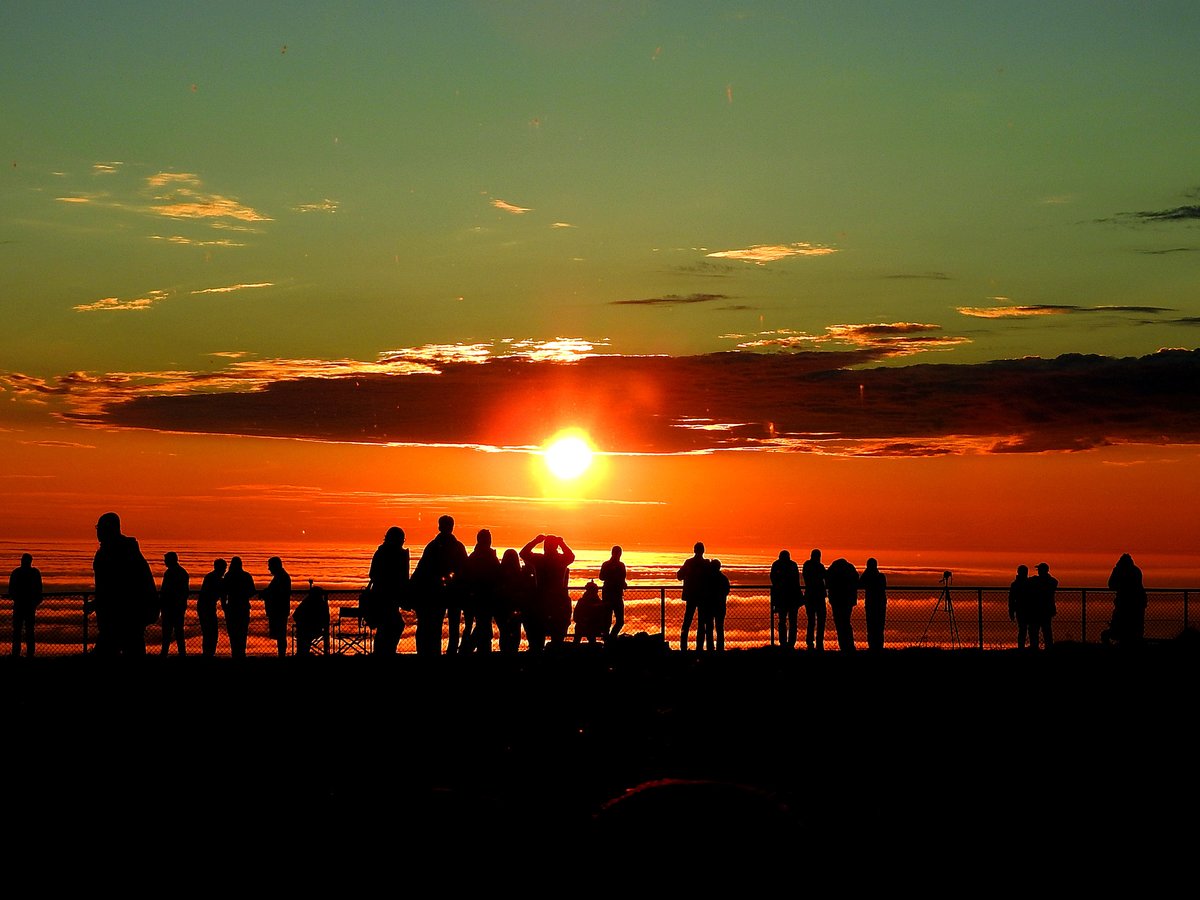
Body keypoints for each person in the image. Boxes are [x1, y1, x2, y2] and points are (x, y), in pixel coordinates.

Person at [91, 512, 157, 656]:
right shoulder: (111, 551)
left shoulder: (120, 553)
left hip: (124, 618)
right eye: (98, 528)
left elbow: (119, 588)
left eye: (100, 528)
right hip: (119, 618)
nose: (98, 532)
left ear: (110, 529)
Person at [411, 515, 469, 656]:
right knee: (452, 626)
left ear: (439, 526)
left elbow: (422, 568)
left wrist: (412, 585)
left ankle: (436, 653)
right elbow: (466, 570)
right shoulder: (458, 547)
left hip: (437, 594)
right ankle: (451, 653)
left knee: (436, 625)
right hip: (453, 594)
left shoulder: (433, 547)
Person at [520, 533, 576, 649]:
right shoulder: (561, 560)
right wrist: (562, 543)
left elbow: (523, 553)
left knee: (538, 638)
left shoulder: (539, 560)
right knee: (557, 638)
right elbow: (571, 556)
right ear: (556, 547)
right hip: (558, 603)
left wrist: (535, 541)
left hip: (541, 602)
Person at [369, 526, 410, 655]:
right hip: (390, 597)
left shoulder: (380, 552)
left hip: (380, 596)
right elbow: (402, 578)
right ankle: (386, 652)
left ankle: (383, 652)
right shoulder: (398, 555)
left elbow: (372, 574)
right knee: (394, 625)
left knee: (386, 626)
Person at [462, 528, 502, 653]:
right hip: (483, 599)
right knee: (483, 628)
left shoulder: (474, 557)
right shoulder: (485, 557)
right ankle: (467, 650)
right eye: (488, 539)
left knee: (482, 627)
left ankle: (471, 649)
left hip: (478, 598)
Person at [1104, 553, 1147, 648]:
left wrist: (1115, 570)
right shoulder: (1136, 571)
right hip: (1138, 603)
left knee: (1120, 625)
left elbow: (1111, 585)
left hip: (1124, 603)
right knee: (1136, 626)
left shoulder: (1120, 570)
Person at [7, 553, 43, 657]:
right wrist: (34, 603)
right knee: (27, 631)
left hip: (22, 606)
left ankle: (18, 654)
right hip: (27, 607)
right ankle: (27, 654)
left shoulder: (17, 573)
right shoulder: (34, 573)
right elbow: (39, 591)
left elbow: (11, 590)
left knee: (20, 631)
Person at [497, 548, 531, 654]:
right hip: (516, 609)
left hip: (502, 609)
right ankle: (513, 653)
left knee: (504, 632)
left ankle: (505, 652)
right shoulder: (520, 574)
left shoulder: (500, 573)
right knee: (515, 633)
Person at [222, 556, 256, 659]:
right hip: (243, 607)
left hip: (231, 607)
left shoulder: (228, 576)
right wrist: (244, 595)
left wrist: (224, 605)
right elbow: (252, 591)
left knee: (233, 632)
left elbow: (224, 592)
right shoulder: (246, 576)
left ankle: (235, 653)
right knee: (242, 631)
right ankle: (241, 653)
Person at [677, 542, 709, 652]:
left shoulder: (689, 563)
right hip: (703, 597)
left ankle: (683, 648)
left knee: (687, 623)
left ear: (694, 550)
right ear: (703, 551)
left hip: (691, 596)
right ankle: (699, 648)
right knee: (701, 624)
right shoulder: (706, 564)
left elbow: (679, 576)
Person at [159, 551, 190, 656]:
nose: (165, 562)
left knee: (167, 632)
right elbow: (185, 591)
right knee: (178, 631)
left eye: (166, 560)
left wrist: (162, 602)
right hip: (178, 607)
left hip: (170, 607)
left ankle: (165, 653)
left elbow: (165, 590)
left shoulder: (170, 573)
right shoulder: (182, 572)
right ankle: (182, 653)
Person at [826, 557, 859, 651]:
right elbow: (856, 580)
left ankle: (843, 645)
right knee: (846, 622)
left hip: (836, 600)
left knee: (839, 623)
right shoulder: (850, 568)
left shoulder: (833, 569)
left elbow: (827, 581)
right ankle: (849, 645)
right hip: (848, 600)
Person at [770, 550, 801, 649]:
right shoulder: (792, 565)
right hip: (789, 598)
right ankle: (789, 643)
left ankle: (785, 643)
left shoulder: (777, 564)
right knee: (791, 621)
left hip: (783, 598)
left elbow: (773, 579)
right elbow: (796, 581)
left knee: (784, 621)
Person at [261, 556, 292, 657]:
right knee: (280, 634)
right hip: (279, 610)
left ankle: (281, 655)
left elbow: (276, 592)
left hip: (279, 610)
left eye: (270, 566)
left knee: (281, 635)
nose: (269, 569)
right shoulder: (281, 577)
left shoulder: (281, 577)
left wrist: (265, 594)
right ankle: (281, 655)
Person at [197, 558, 227, 657]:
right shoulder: (215, 578)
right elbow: (222, 593)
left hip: (206, 607)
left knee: (209, 632)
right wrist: (224, 606)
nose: (225, 570)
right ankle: (208, 653)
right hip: (206, 607)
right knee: (210, 632)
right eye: (224, 568)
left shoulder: (211, 577)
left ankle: (208, 653)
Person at [293, 580, 331, 655]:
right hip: (314, 629)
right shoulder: (321, 604)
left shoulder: (307, 602)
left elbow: (295, 615)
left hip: (307, 629)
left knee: (303, 635)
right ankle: (303, 653)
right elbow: (326, 619)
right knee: (305, 635)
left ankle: (301, 653)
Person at [598, 545, 627, 643]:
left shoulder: (618, 565)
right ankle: (609, 639)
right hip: (611, 595)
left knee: (617, 620)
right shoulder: (608, 565)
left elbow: (622, 579)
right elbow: (601, 577)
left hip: (614, 595)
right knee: (608, 620)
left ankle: (609, 638)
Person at [801, 549, 827, 651]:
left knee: (811, 620)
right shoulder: (819, 566)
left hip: (810, 596)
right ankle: (818, 642)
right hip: (818, 596)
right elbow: (825, 576)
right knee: (820, 620)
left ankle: (810, 642)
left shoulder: (807, 565)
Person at [1028, 562, 1058, 651]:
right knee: (1045, 630)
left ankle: (1036, 647)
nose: (1038, 572)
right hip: (1045, 609)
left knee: (1038, 630)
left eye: (1040, 570)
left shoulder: (1037, 581)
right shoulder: (1051, 581)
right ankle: (1047, 647)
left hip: (1038, 609)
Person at [859, 557, 887, 652]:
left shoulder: (869, 576)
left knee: (871, 626)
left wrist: (866, 572)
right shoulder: (881, 577)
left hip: (872, 603)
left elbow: (860, 583)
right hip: (880, 604)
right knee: (879, 626)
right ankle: (878, 646)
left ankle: (873, 646)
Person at [572, 580, 609, 644]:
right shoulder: (598, 603)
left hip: (591, 625)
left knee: (583, 634)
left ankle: (576, 647)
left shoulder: (583, 601)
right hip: (587, 625)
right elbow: (576, 616)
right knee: (588, 635)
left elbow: (576, 615)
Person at [1008, 565, 1033, 650]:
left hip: (1024, 609)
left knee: (1025, 630)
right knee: (1026, 630)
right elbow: (1011, 599)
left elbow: (1011, 599)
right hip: (1026, 609)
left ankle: (1023, 648)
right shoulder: (1029, 583)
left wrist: (1011, 611)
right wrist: (1011, 611)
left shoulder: (1016, 584)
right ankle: (1028, 647)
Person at [708, 559, 731, 652]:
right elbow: (726, 591)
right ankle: (720, 649)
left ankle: (710, 648)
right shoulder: (723, 578)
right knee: (720, 627)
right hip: (720, 605)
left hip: (709, 605)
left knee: (709, 628)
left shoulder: (708, 579)